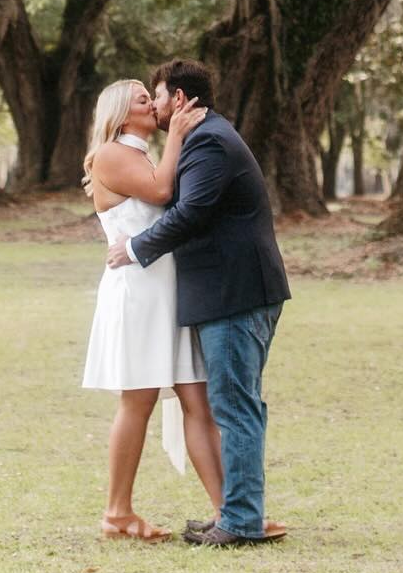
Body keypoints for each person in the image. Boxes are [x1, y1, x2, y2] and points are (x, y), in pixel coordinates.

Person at [107, 58, 290, 547]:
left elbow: (189, 211)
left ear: (181, 99)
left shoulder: (208, 139)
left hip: (233, 292)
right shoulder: (199, 138)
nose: (156, 102)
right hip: (223, 291)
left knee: (234, 406)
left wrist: (134, 248)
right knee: (230, 403)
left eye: (159, 95)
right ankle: (235, 513)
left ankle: (241, 521)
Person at [82, 79, 224, 541]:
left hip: (170, 292)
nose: (157, 104)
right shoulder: (111, 154)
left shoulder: (142, 154)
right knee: (138, 400)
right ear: (123, 114)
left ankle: (232, 510)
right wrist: (179, 134)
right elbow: (163, 193)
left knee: (196, 398)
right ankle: (117, 512)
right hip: (138, 294)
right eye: (144, 99)